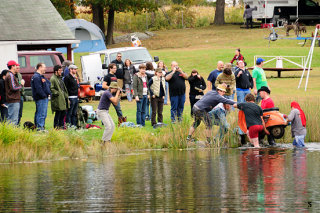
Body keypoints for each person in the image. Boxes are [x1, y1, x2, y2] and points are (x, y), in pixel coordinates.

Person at [31, 63, 51, 131]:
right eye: (44, 67)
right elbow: (38, 88)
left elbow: (48, 83)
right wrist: (44, 95)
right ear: (39, 67)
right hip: (41, 98)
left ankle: (39, 127)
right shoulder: (36, 77)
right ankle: (40, 128)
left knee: (41, 113)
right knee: (41, 113)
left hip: (43, 98)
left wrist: (48, 92)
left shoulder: (41, 76)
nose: (45, 69)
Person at [50, 65, 69, 129]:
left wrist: (66, 97)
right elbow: (51, 88)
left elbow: (63, 89)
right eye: (60, 70)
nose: (61, 72)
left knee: (63, 113)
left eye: (61, 70)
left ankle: (61, 127)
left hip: (63, 99)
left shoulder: (60, 78)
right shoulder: (53, 78)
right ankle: (56, 127)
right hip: (57, 99)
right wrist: (57, 93)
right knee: (58, 113)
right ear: (56, 71)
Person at [4, 60, 22, 125]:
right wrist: (21, 85)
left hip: (12, 99)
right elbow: (13, 87)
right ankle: (12, 134)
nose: (16, 67)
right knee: (13, 119)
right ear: (12, 66)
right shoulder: (10, 75)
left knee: (11, 118)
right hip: (13, 99)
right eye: (15, 66)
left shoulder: (9, 75)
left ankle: (9, 132)